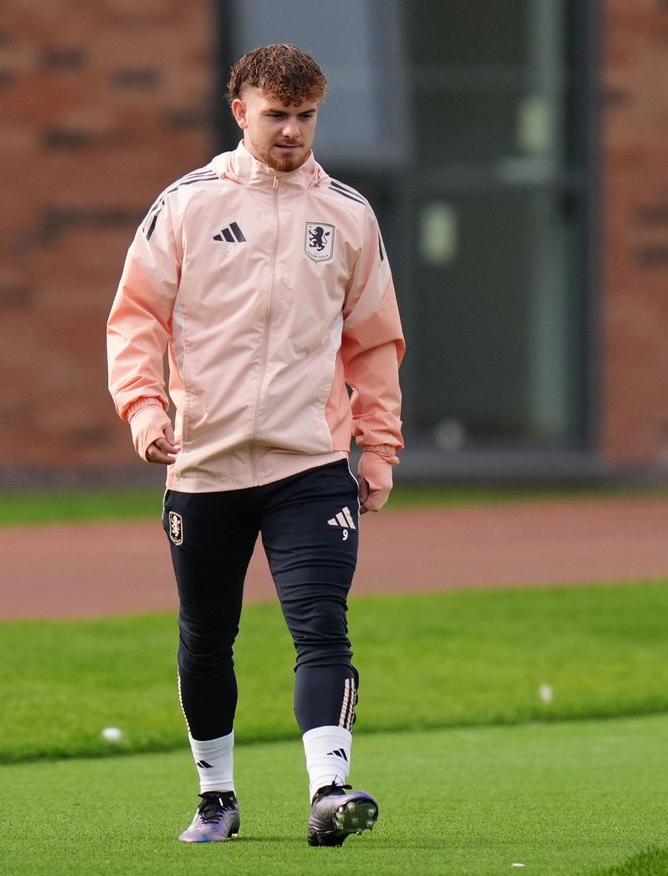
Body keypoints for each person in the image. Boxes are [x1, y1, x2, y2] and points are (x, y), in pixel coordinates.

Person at [106, 44, 404, 847]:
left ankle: (329, 791)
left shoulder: (347, 215)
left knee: (321, 625)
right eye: (277, 115)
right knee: (207, 634)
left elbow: (373, 344)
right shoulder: (187, 206)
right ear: (240, 111)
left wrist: (378, 448)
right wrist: (144, 410)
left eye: (305, 116)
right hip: (202, 465)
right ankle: (216, 797)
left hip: (310, 464)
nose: (292, 131)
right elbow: (136, 318)